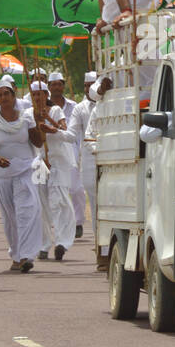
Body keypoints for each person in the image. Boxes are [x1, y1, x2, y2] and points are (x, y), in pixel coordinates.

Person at [0, 76, 45, 273]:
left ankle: (27, 255)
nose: (3, 98)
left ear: (13, 94)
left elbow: (39, 143)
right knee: (10, 216)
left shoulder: (26, 115)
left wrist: (37, 121)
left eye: (6, 94)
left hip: (25, 169)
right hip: (2, 174)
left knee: (27, 211)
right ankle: (16, 254)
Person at [33, 83, 77, 262]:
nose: (37, 98)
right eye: (34, 95)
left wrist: (50, 124)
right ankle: (43, 244)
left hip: (58, 162)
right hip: (39, 163)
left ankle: (62, 242)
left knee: (59, 202)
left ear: (46, 94)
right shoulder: (29, 114)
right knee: (40, 204)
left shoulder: (56, 110)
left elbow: (67, 132)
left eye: (40, 94)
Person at [71, 72, 98, 238]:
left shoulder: (110, 103)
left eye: (92, 85)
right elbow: (71, 133)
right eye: (86, 86)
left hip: (111, 158)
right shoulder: (79, 108)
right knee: (95, 203)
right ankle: (98, 240)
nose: (89, 89)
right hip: (89, 161)